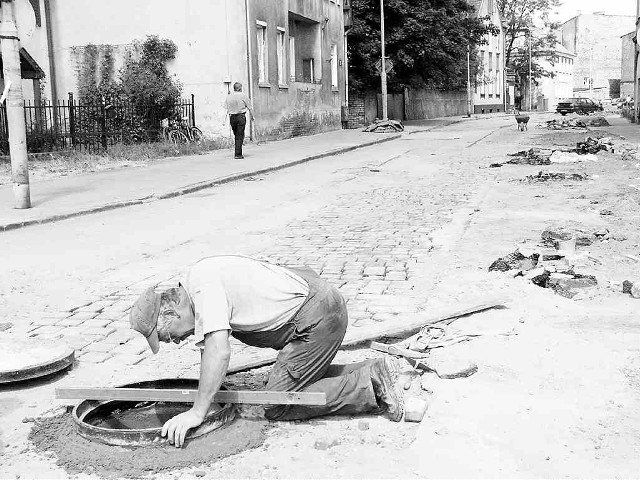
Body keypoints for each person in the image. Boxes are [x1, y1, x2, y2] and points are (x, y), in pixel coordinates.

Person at [130, 255, 405, 448]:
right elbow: (209, 345)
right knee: (285, 384)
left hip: (317, 320)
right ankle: (372, 369)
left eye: (168, 337)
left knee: (277, 403)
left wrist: (197, 413)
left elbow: (218, 351)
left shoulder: (204, 290)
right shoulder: (194, 279)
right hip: (316, 308)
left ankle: (371, 385)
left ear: (171, 311)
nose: (176, 342)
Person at [224, 82, 254, 159]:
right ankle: (238, 154)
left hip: (232, 118)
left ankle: (238, 148)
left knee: (236, 134)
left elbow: (226, 108)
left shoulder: (229, 96)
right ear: (240, 88)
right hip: (241, 117)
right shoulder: (243, 95)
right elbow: (250, 107)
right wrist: (252, 116)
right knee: (239, 135)